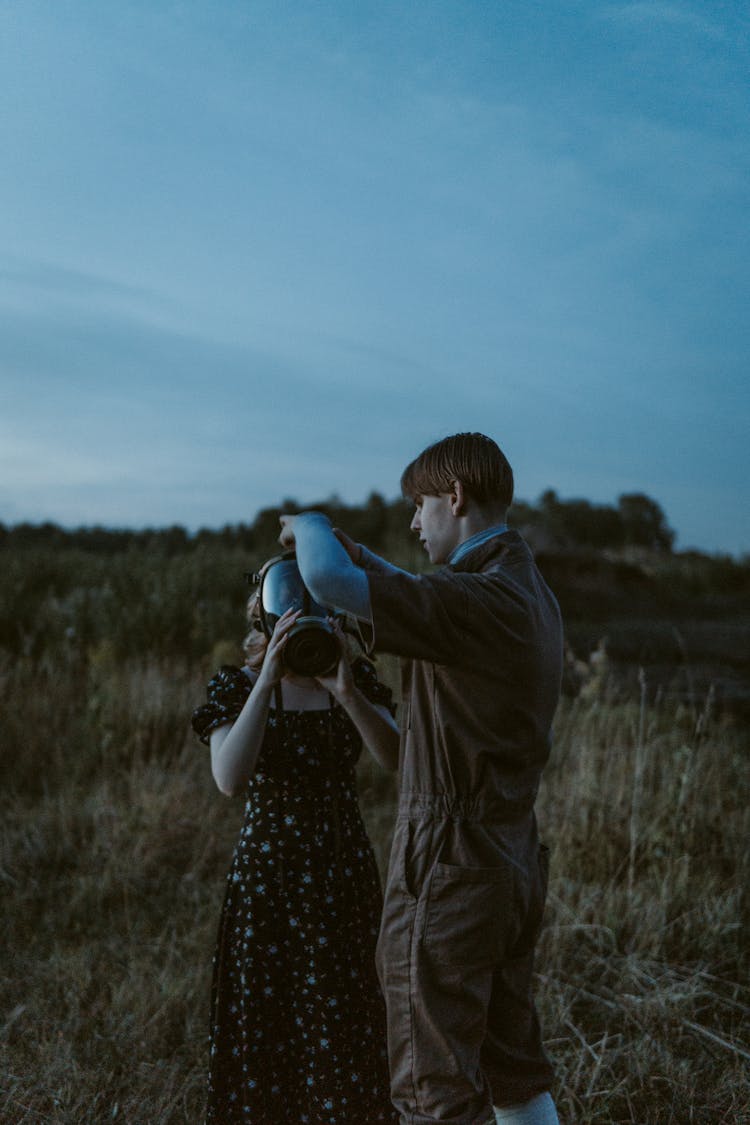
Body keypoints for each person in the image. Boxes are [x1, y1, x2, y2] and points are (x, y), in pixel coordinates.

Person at [279, 433, 563, 1125]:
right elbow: (412, 597)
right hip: (506, 858)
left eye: (420, 504)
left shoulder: (479, 602)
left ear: (456, 497)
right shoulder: (524, 592)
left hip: (451, 866)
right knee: (513, 1070)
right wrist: (359, 555)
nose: (413, 522)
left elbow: (329, 585)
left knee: (432, 1091)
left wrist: (308, 525)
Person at [191, 570, 401, 1125]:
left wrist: (348, 692)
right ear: (265, 617)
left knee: (344, 1021)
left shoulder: (354, 679)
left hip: (341, 873)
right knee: (268, 1024)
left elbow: (398, 759)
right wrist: (268, 681)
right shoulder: (235, 685)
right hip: (269, 880)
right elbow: (230, 779)